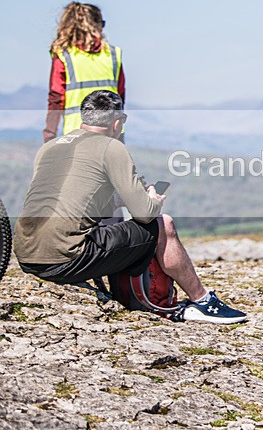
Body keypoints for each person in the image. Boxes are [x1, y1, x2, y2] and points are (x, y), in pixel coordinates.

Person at [13, 90, 246, 324]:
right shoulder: (111, 147)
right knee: (163, 224)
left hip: (27, 255)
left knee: (113, 227)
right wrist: (153, 200)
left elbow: (66, 201)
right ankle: (204, 301)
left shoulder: (49, 148)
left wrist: (116, 200)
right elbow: (144, 215)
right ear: (118, 122)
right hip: (66, 258)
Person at [44, 2, 126, 143]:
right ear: (96, 25)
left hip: (76, 132)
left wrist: (49, 134)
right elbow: (120, 95)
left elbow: (56, 98)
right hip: (112, 133)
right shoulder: (112, 54)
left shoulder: (64, 55)